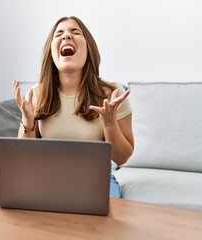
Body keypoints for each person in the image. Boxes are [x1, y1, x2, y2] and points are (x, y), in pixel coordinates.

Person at [13, 16, 134, 198]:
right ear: (51, 53)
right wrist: (28, 122)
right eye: (59, 34)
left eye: (75, 32)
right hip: (47, 177)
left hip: (97, 179)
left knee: (101, 223)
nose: (66, 36)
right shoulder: (37, 93)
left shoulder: (112, 93)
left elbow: (122, 157)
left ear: (88, 48)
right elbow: (25, 158)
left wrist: (110, 124)